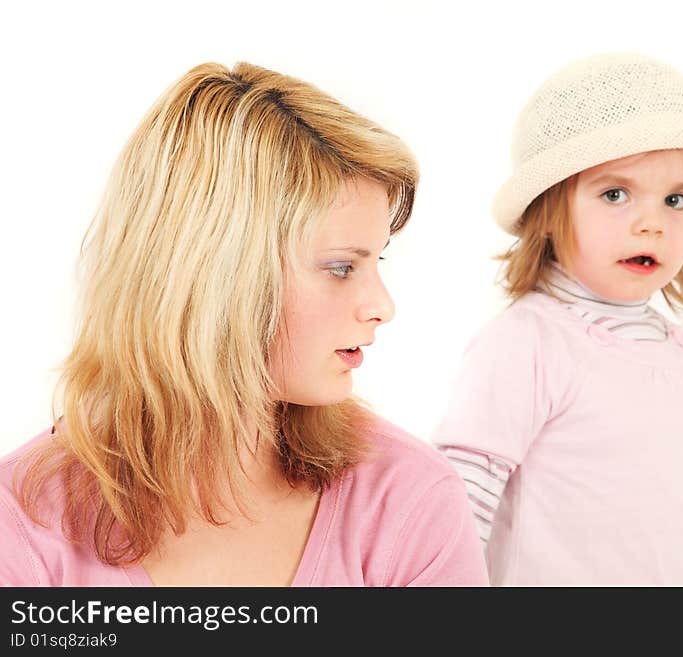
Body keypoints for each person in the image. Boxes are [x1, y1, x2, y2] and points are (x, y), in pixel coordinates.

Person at [0, 62, 488, 587]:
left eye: (377, 263)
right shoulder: (25, 522)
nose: (382, 306)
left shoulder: (408, 501)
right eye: (342, 267)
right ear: (217, 274)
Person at [433, 53, 683, 586]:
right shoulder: (528, 342)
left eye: (676, 199)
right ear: (551, 211)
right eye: (615, 194)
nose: (651, 223)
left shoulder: (682, 355)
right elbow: (461, 492)